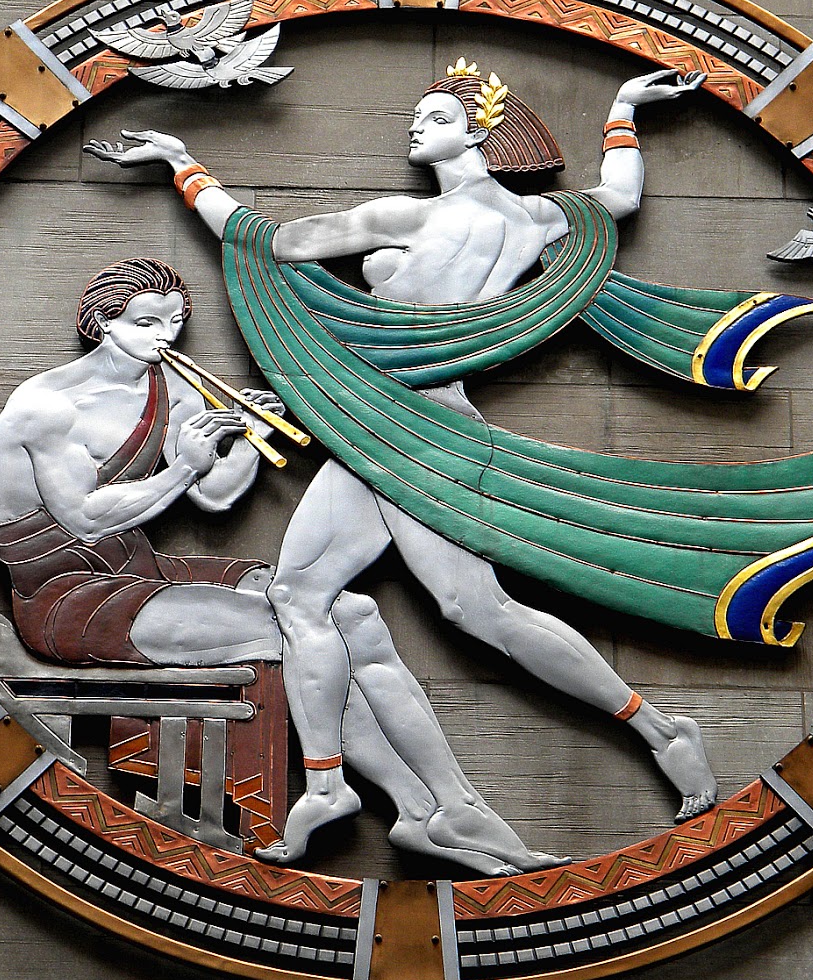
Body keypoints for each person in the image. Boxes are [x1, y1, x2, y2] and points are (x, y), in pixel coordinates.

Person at [85, 62, 720, 854]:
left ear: (481, 131)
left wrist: (185, 166)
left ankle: (658, 729)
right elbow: (619, 196)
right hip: (411, 424)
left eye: (437, 116)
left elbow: (266, 240)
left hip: (404, 427)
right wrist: (621, 109)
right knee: (320, 596)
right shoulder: (538, 218)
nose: (416, 125)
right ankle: (331, 788)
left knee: (465, 611)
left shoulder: (410, 217)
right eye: (416, 114)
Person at [0, 257, 561, 872]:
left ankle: (450, 806)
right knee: (296, 628)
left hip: (142, 570)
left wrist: (245, 437)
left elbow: (216, 494)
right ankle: (362, 793)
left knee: (354, 615)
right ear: (103, 323)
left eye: (175, 322)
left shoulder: (169, 384)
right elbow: (86, 519)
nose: (166, 337)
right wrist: (185, 465)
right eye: (147, 323)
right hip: (68, 595)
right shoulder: (48, 407)